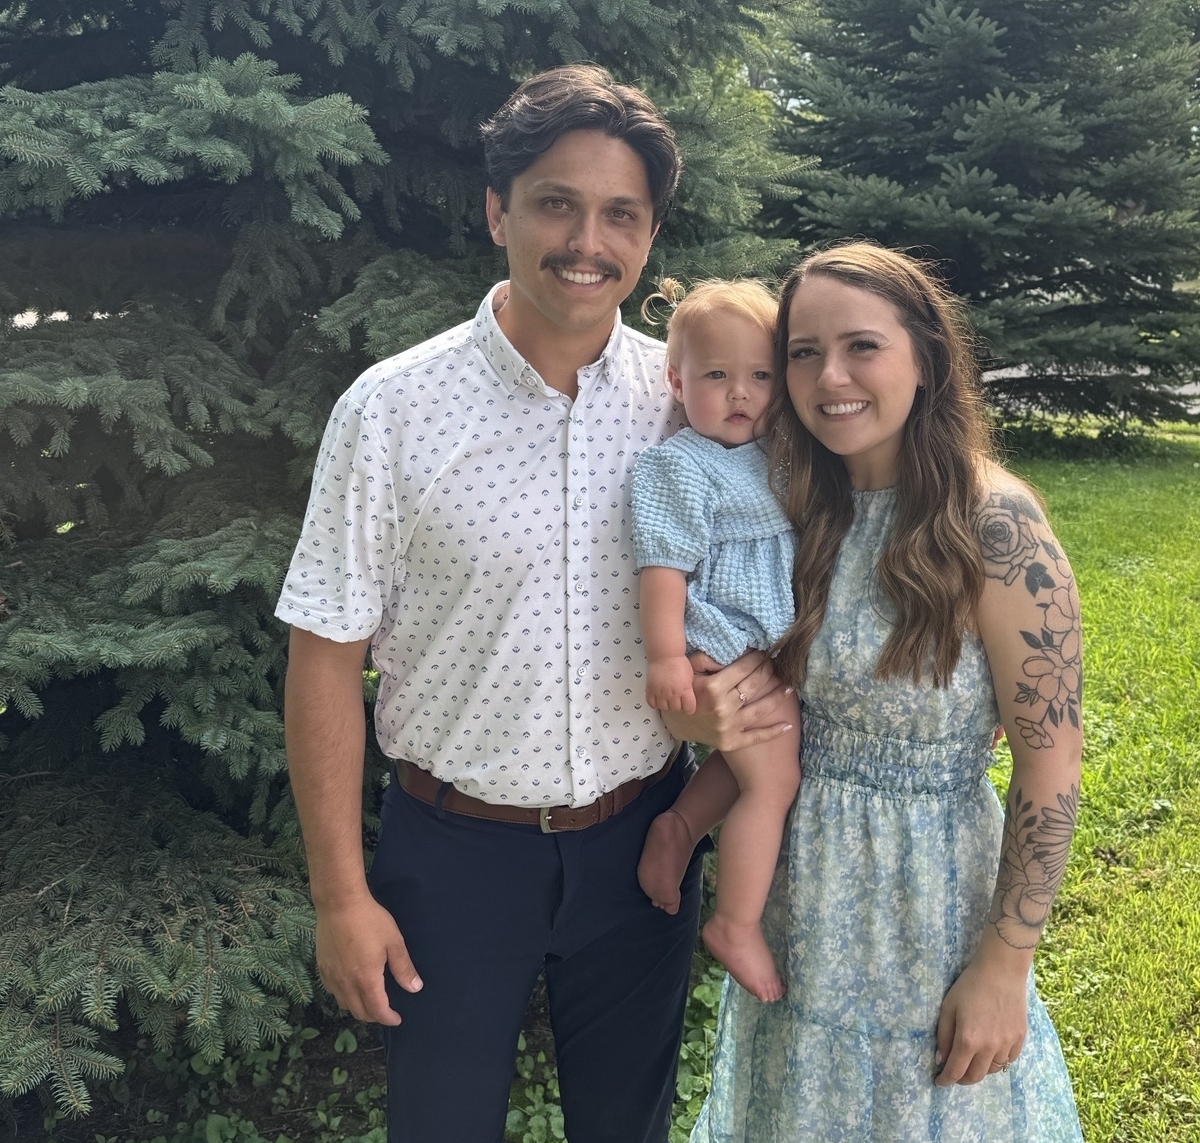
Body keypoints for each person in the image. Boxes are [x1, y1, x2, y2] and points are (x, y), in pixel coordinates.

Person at [275, 64, 791, 1143]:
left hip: (640, 843)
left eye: (620, 215)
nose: (585, 241)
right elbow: (325, 658)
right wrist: (339, 897)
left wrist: (730, 700)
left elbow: (771, 569)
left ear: (650, 237)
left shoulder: (685, 406)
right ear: (498, 209)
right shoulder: (392, 411)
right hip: (453, 858)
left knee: (626, 1128)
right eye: (557, 202)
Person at [690, 242, 1086, 1141]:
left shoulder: (996, 525)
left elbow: (1051, 761)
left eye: (861, 346)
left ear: (926, 360)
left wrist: (1005, 964)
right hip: (801, 909)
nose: (829, 375)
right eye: (803, 349)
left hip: (932, 909)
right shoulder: (792, 506)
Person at [629, 278, 802, 1003]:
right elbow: (662, 564)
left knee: (749, 764)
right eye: (717, 376)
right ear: (677, 379)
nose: (742, 394)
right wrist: (667, 655)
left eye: (760, 376)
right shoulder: (681, 464)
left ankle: (678, 827)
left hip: (764, 648)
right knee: (777, 777)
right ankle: (734, 921)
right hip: (721, 640)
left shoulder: (772, 455)